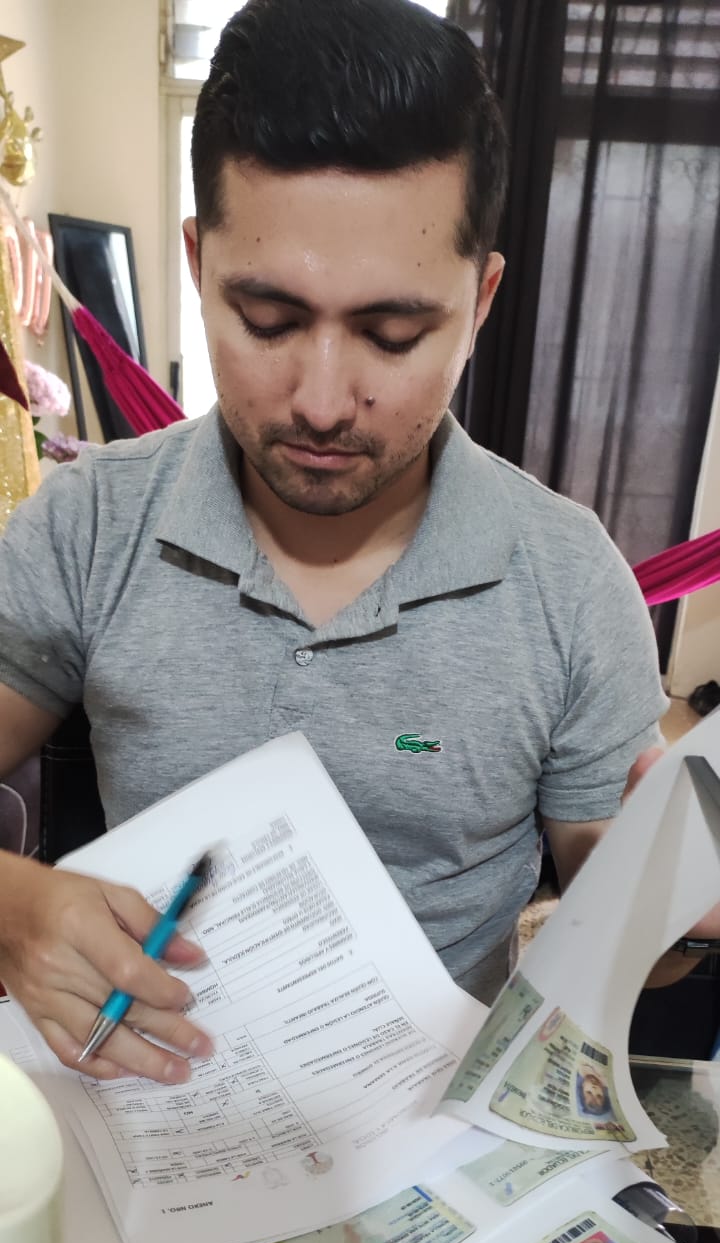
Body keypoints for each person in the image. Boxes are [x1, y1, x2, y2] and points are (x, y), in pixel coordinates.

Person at [0, 0, 709, 1086]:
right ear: (197, 264)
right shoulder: (90, 525)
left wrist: (675, 909)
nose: (323, 402)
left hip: (432, 1134)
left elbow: (623, 927)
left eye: (392, 333)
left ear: (481, 299)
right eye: (269, 320)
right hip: (142, 1107)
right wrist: (13, 906)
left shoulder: (569, 583)